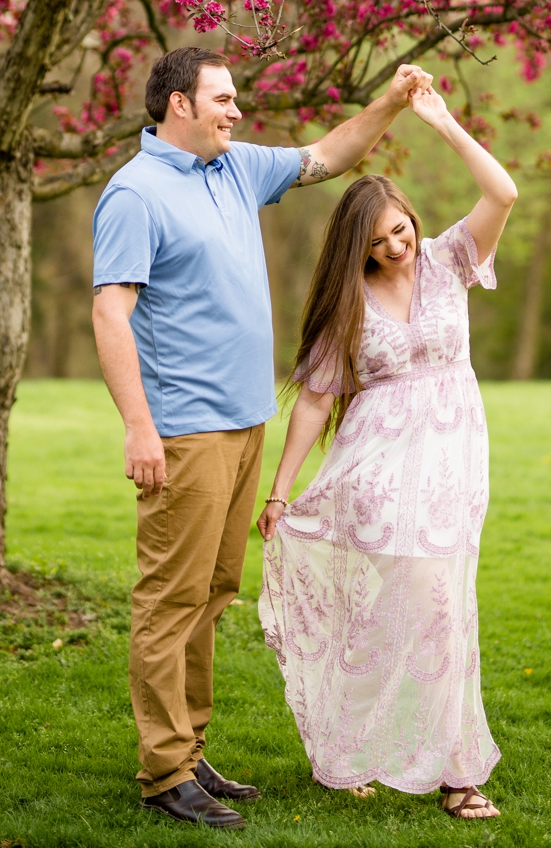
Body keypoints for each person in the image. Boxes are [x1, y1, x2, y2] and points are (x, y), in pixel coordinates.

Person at [91, 47, 428, 830]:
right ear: (179, 105)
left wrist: (390, 103)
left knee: (211, 594)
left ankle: (190, 749)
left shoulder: (234, 168)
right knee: (170, 600)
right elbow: (112, 312)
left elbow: (329, 155)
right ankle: (163, 770)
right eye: (223, 99)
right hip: (185, 429)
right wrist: (139, 428)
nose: (236, 111)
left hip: (245, 424)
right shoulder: (134, 193)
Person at [256, 75, 517, 821]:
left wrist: (442, 122)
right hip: (373, 472)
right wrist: (280, 490)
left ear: (411, 215)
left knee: (438, 607)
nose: (397, 248)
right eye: (379, 244)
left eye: (400, 230)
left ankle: (382, 754)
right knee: (418, 610)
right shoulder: (350, 302)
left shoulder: (450, 259)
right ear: (359, 251)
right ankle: (452, 774)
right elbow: (314, 400)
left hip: (451, 468)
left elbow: (504, 195)